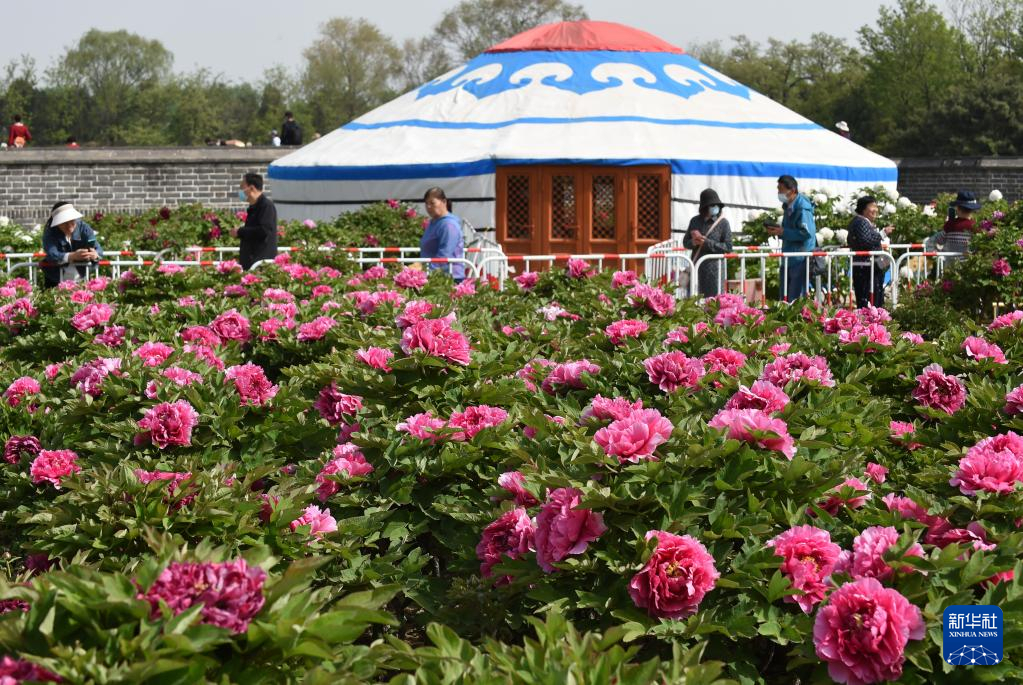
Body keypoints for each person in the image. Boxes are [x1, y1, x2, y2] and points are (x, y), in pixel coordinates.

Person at [765, 175, 816, 301]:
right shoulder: (788, 205)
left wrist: (784, 232)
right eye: (778, 189)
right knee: (785, 297)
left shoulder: (802, 208)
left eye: (781, 189)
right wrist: (779, 231)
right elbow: (789, 230)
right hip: (788, 257)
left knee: (795, 299)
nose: (779, 193)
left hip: (800, 259)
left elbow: (806, 233)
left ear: (792, 190)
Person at [683, 188, 733, 297]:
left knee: (713, 301)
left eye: (717, 205)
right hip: (696, 267)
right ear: (705, 207)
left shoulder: (723, 223)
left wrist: (706, 243)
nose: (715, 207)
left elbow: (728, 247)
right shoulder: (694, 221)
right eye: (712, 205)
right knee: (694, 299)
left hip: (715, 271)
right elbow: (685, 242)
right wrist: (694, 242)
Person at [846, 196, 894, 308]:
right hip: (866, 268)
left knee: (870, 301)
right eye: (872, 206)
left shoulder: (860, 221)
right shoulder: (861, 222)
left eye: (876, 206)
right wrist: (883, 233)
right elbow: (865, 241)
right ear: (863, 209)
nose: (876, 210)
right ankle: (870, 319)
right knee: (869, 302)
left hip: (866, 267)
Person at [41, 202, 103, 288]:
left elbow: (97, 248)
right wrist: (72, 256)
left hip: (82, 276)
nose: (69, 225)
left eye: (72, 221)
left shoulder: (84, 228)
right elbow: (52, 254)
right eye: (64, 222)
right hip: (55, 277)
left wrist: (95, 254)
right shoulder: (50, 233)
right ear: (57, 223)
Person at [230, 173, 278, 269]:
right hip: (251, 261)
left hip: (260, 263)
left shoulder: (266, 206)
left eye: (242, 187)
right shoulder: (254, 207)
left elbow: (264, 230)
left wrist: (240, 231)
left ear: (251, 188)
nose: (240, 191)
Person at [420, 187, 465, 282]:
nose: (428, 207)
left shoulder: (449, 225)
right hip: (436, 275)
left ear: (444, 202)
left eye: (432, 203)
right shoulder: (434, 222)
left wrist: (425, 272)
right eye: (426, 203)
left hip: (449, 278)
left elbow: (444, 254)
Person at [926, 190, 980, 260]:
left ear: (957, 209)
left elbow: (932, 241)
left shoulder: (950, 225)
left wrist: (938, 254)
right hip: (969, 264)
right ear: (972, 210)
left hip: (950, 264)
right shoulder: (975, 226)